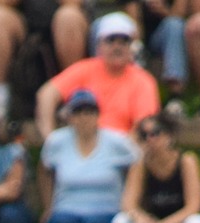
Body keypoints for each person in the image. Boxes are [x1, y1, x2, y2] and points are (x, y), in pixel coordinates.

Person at [39, 89, 140, 223]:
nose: (84, 117)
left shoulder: (116, 141)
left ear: (97, 115)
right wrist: (48, 205)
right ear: (70, 117)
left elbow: (138, 163)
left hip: (106, 207)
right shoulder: (56, 142)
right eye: (78, 112)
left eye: (89, 112)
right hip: (67, 207)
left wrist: (129, 200)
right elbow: (44, 170)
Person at [35, 11, 160, 140]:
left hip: (121, 145)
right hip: (80, 143)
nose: (117, 47)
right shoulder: (84, 69)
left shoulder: (143, 81)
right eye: (111, 40)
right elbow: (46, 94)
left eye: (124, 41)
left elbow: (145, 125)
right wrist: (49, 137)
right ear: (99, 45)